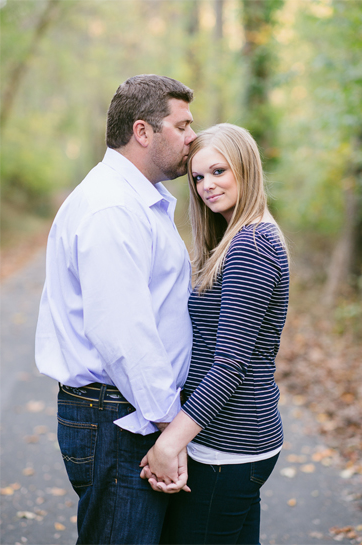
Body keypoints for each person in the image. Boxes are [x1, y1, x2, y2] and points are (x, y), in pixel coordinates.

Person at [34, 74, 196, 544]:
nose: (191, 138)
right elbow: (123, 335)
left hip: (129, 411)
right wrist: (171, 428)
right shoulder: (113, 209)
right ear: (143, 131)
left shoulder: (138, 202)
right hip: (120, 419)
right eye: (182, 126)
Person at [140, 123, 290, 544]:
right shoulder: (237, 238)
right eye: (199, 177)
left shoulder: (251, 247)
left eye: (219, 171)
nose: (207, 185)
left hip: (229, 447)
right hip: (237, 443)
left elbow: (229, 365)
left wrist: (170, 443)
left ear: (246, 167)